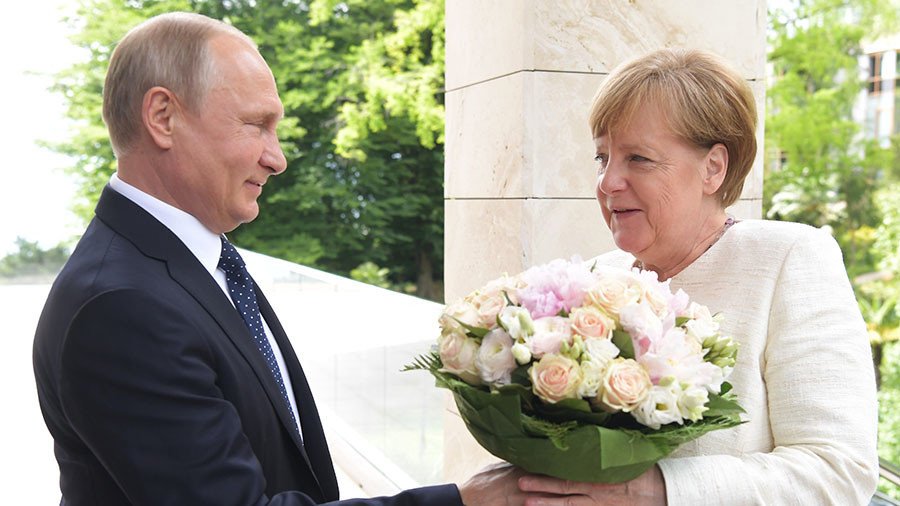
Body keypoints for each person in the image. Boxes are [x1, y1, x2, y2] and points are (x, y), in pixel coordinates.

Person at [32, 12, 525, 506]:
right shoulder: (120, 307)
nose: (278, 157)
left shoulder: (195, 260)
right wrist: (468, 501)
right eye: (256, 125)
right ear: (163, 117)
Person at [517, 48, 879, 505]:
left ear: (713, 168)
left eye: (639, 159)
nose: (608, 182)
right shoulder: (593, 279)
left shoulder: (789, 259)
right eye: (602, 157)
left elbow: (839, 471)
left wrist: (658, 492)